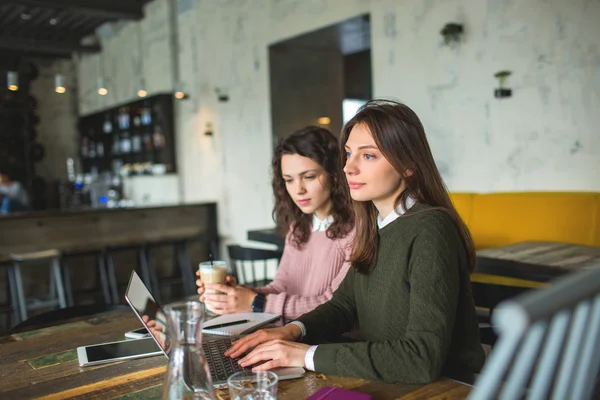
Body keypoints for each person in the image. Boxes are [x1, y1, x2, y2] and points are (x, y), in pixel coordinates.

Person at [225, 99, 486, 384]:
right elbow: (342, 306)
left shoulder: (431, 229)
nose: (349, 168)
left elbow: (420, 360)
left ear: (409, 165)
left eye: (368, 156)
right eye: (348, 154)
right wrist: (293, 331)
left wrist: (304, 355)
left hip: (444, 387)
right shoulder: (374, 224)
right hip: (385, 379)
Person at [196, 126, 354, 321]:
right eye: (289, 180)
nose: (298, 190)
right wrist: (237, 294)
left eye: (309, 177)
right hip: (289, 334)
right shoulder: (299, 227)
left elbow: (333, 304)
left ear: (334, 175)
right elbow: (281, 287)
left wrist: (256, 302)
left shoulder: (355, 232)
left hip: (326, 344)